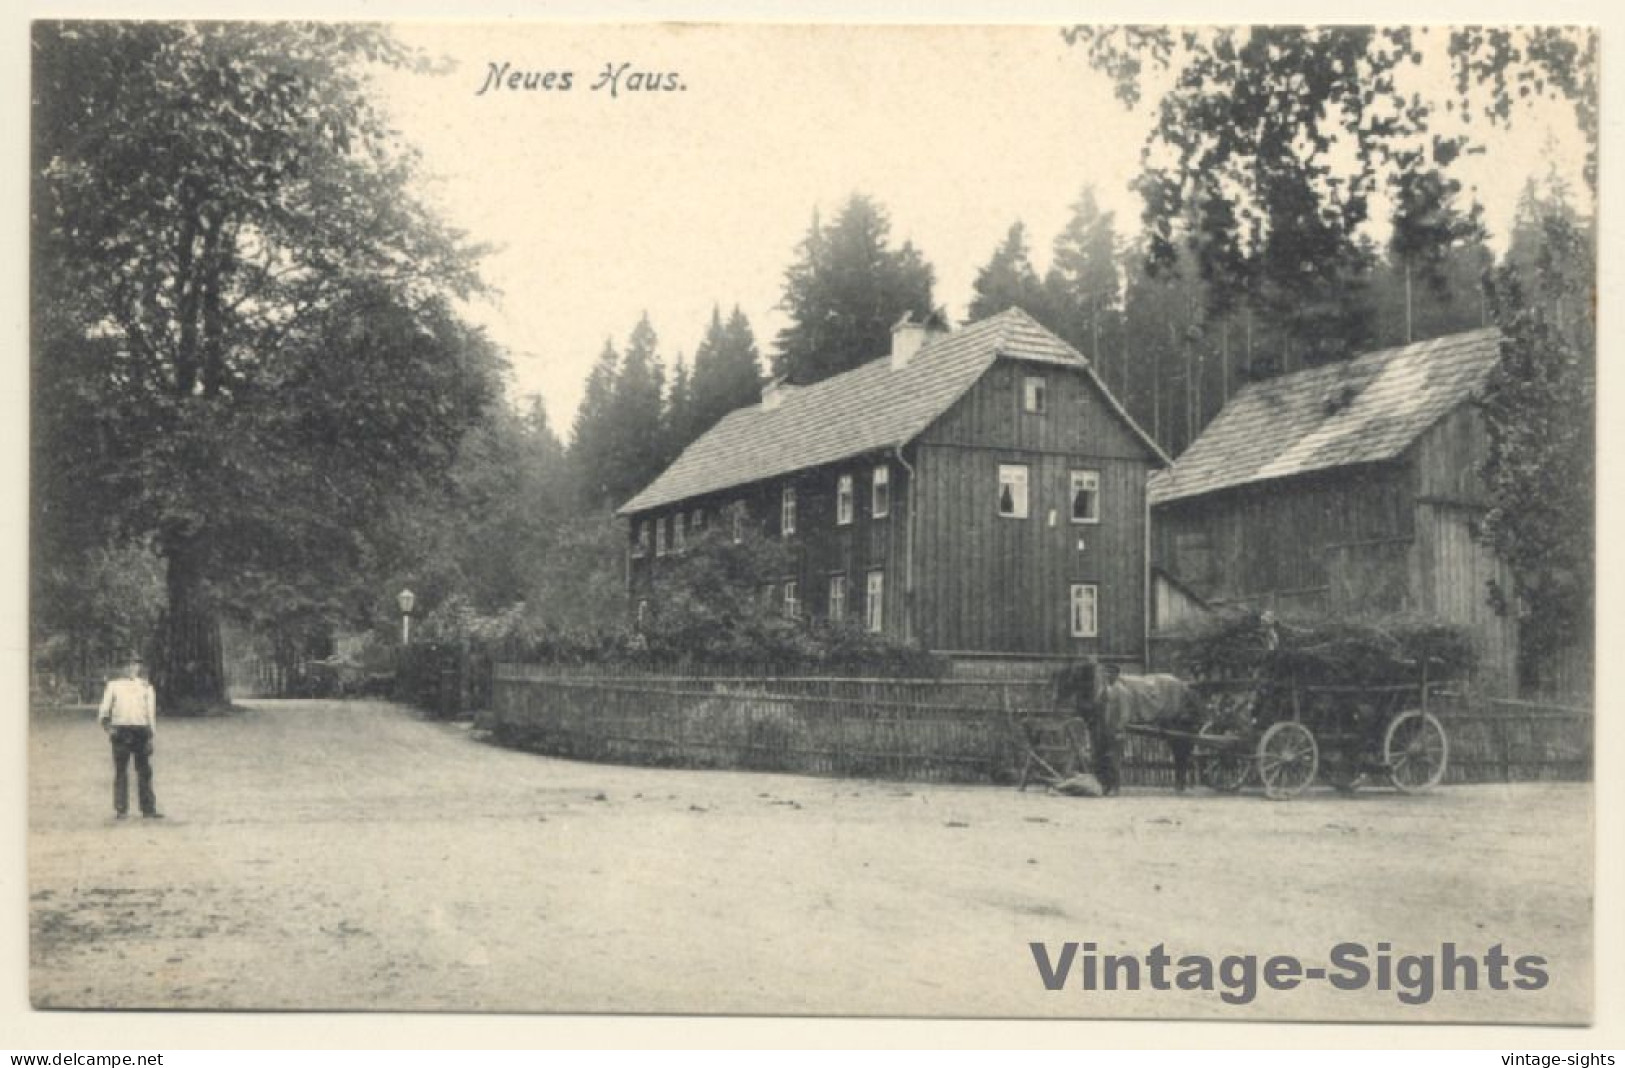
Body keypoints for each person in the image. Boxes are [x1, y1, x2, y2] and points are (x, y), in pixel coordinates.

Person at [98, 654, 162, 820]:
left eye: (134, 665)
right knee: (121, 770)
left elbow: (150, 714)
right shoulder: (113, 686)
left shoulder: (146, 687)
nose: (131, 668)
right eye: (127, 665)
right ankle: (121, 809)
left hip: (141, 731)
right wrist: (109, 728)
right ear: (121, 668)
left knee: (144, 771)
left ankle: (148, 808)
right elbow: (104, 711)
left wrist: (150, 735)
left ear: (139, 667)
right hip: (121, 731)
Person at [1094, 662, 1128, 797]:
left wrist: (1119, 728)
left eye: (1111, 673)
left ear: (1117, 675)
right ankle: (1106, 786)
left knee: (1115, 759)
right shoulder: (1105, 690)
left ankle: (1116, 787)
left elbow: (1125, 713)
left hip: (1115, 730)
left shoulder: (1122, 691)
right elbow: (1097, 704)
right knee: (1103, 759)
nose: (1107, 675)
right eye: (1105, 673)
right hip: (1104, 730)